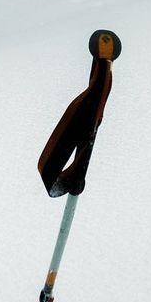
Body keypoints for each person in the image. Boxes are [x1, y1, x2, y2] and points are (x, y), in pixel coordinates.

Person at [37, 29, 121, 197]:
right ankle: (73, 177)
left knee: (91, 109)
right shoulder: (97, 89)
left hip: (67, 176)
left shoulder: (99, 87)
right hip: (63, 177)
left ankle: (73, 177)